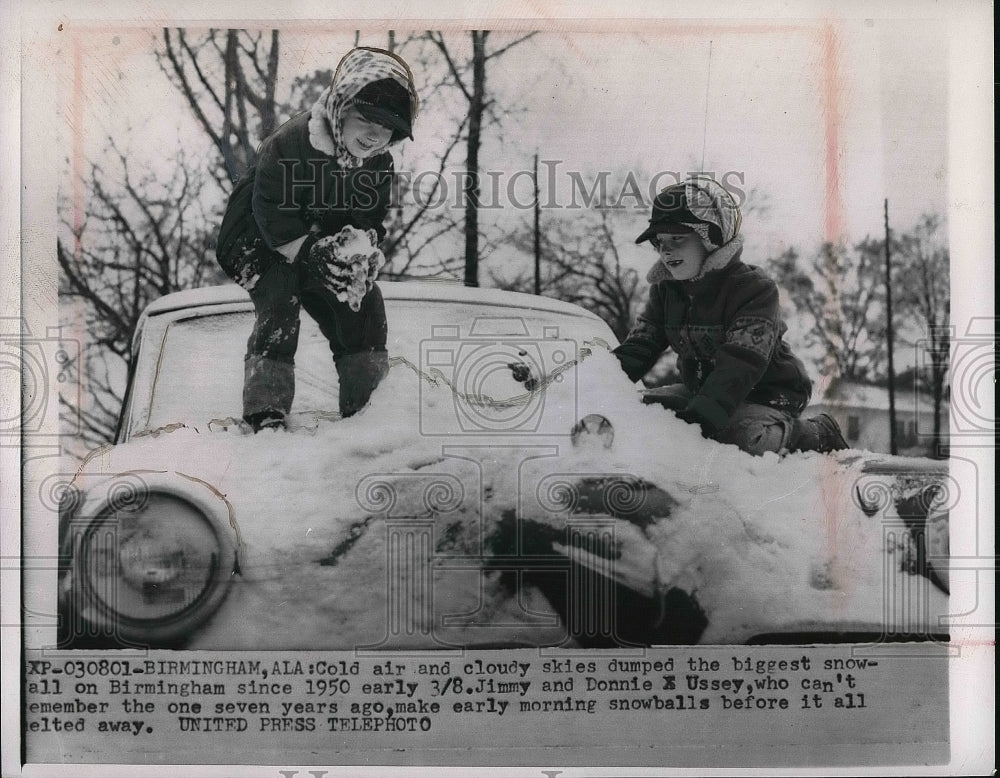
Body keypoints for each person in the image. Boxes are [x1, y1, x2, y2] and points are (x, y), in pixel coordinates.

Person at [215, 47, 418, 431]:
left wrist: (362, 252)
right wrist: (309, 252)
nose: (375, 135)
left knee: (364, 302)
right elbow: (271, 211)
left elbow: (369, 217)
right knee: (281, 294)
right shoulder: (291, 143)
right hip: (256, 236)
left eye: (387, 128)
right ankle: (265, 412)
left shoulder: (378, 162)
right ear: (340, 109)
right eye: (365, 120)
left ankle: (367, 411)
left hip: (321, 238)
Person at [612, 176, 848, 456]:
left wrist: (703, 416)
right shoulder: (666, 292)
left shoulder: (752, 289)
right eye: (660, 241)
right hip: (705, 393)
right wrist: (601, 381)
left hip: (769, 394)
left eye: (677, 238)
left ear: (710, 240)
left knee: (741, 436)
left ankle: (816, 434)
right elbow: (641, 344)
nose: (666, 249)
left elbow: (741, 360)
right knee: (641, 409)